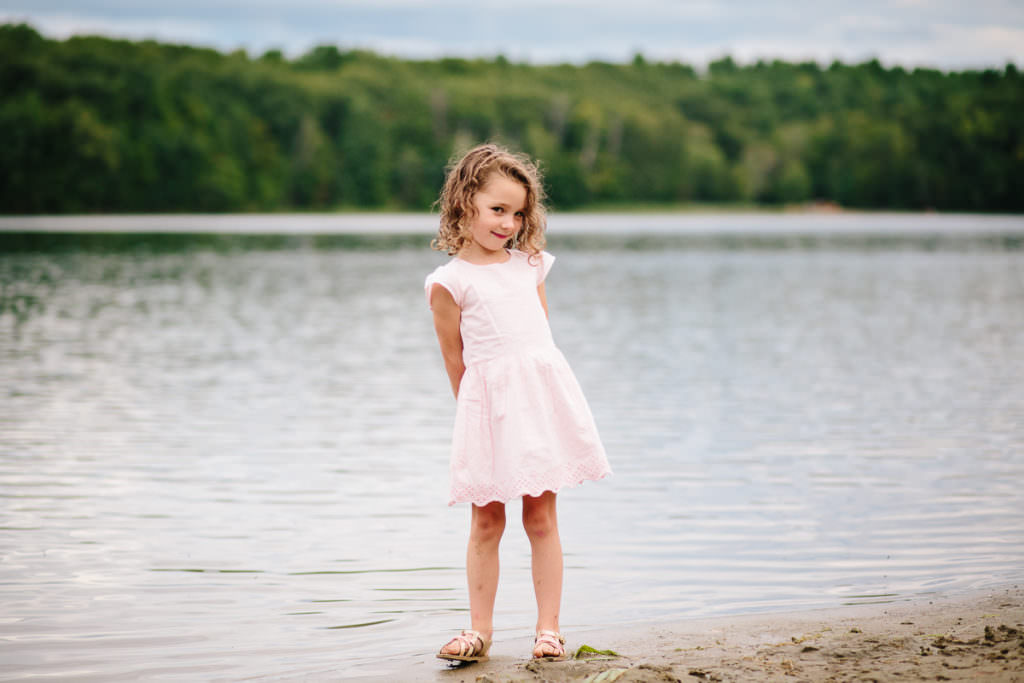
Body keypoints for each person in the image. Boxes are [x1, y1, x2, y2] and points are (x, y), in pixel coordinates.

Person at [424, 143, 611, 664]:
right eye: (498, 210)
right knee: (486, 521)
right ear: (465, 204)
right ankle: (479, 631)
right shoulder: (448, 282)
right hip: (486, 412)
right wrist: (477, 425)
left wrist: (541, 407)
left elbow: (539, 345)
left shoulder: (530, 265)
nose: (509, 223)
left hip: (538, 404)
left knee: (541, 519)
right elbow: (455, 362)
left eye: (519, 212)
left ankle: (547, 630)